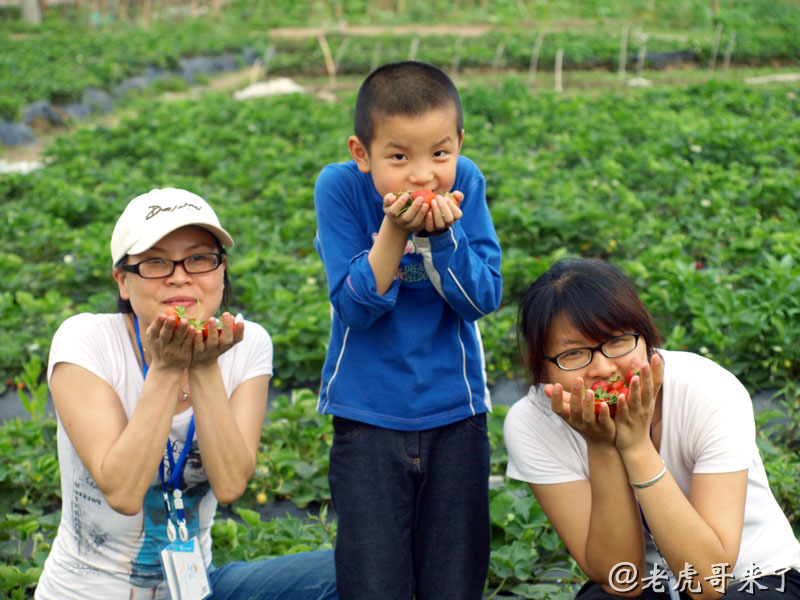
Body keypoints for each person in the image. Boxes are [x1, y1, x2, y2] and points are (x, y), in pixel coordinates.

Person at [35, 188, 338, 600]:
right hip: (87, 593)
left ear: (221, 271)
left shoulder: (246, 343)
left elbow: (230, 484)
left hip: (198, 589)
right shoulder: (85, 341)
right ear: (123, 281)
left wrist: (205, 365)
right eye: (156, 262)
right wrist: (166, 366)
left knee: (355, 569)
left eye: (198, 259)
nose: (180, 276)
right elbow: (122, 492)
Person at [313, 61, 503, 599]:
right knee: (373, 582)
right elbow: (354, 308)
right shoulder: (339, 188)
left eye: (440, 153)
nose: (423, 175)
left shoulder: (466, 181)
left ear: (459, 143)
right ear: (362, 153)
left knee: (454, 579)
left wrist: (442, 240)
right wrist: (395, 231)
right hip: (365, 417)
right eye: (399, 157)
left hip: (456, 414)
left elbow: (481, 299)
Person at [504, 258, 800, 600]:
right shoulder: (532, 424)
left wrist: (635, 446)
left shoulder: (708, 389)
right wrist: (601, 446)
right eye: (573, 354)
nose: (603, 368)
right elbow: (621, 581)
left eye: (617, 341)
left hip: (752, 577)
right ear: (542, 369)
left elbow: (709, 583)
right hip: (648, 584)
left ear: (646, 339)